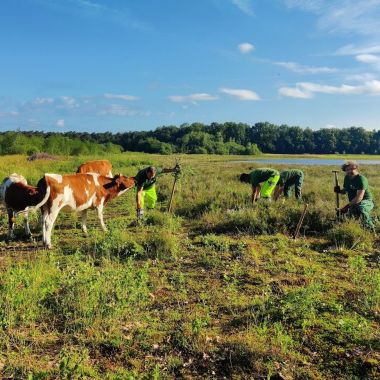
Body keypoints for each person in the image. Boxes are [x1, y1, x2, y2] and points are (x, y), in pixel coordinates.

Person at [334, 160, 375, 230]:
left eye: (351, 169)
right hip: (354, 203)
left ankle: (371, 229)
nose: (349, 171)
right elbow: (345, 191)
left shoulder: (361, 179)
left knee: (361, 208)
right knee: (349, 217)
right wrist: (339, 191)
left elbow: (359, 197)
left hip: (367, 201)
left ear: (356, 168)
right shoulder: (347, 178)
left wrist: (347, 206)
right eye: (347, 170)